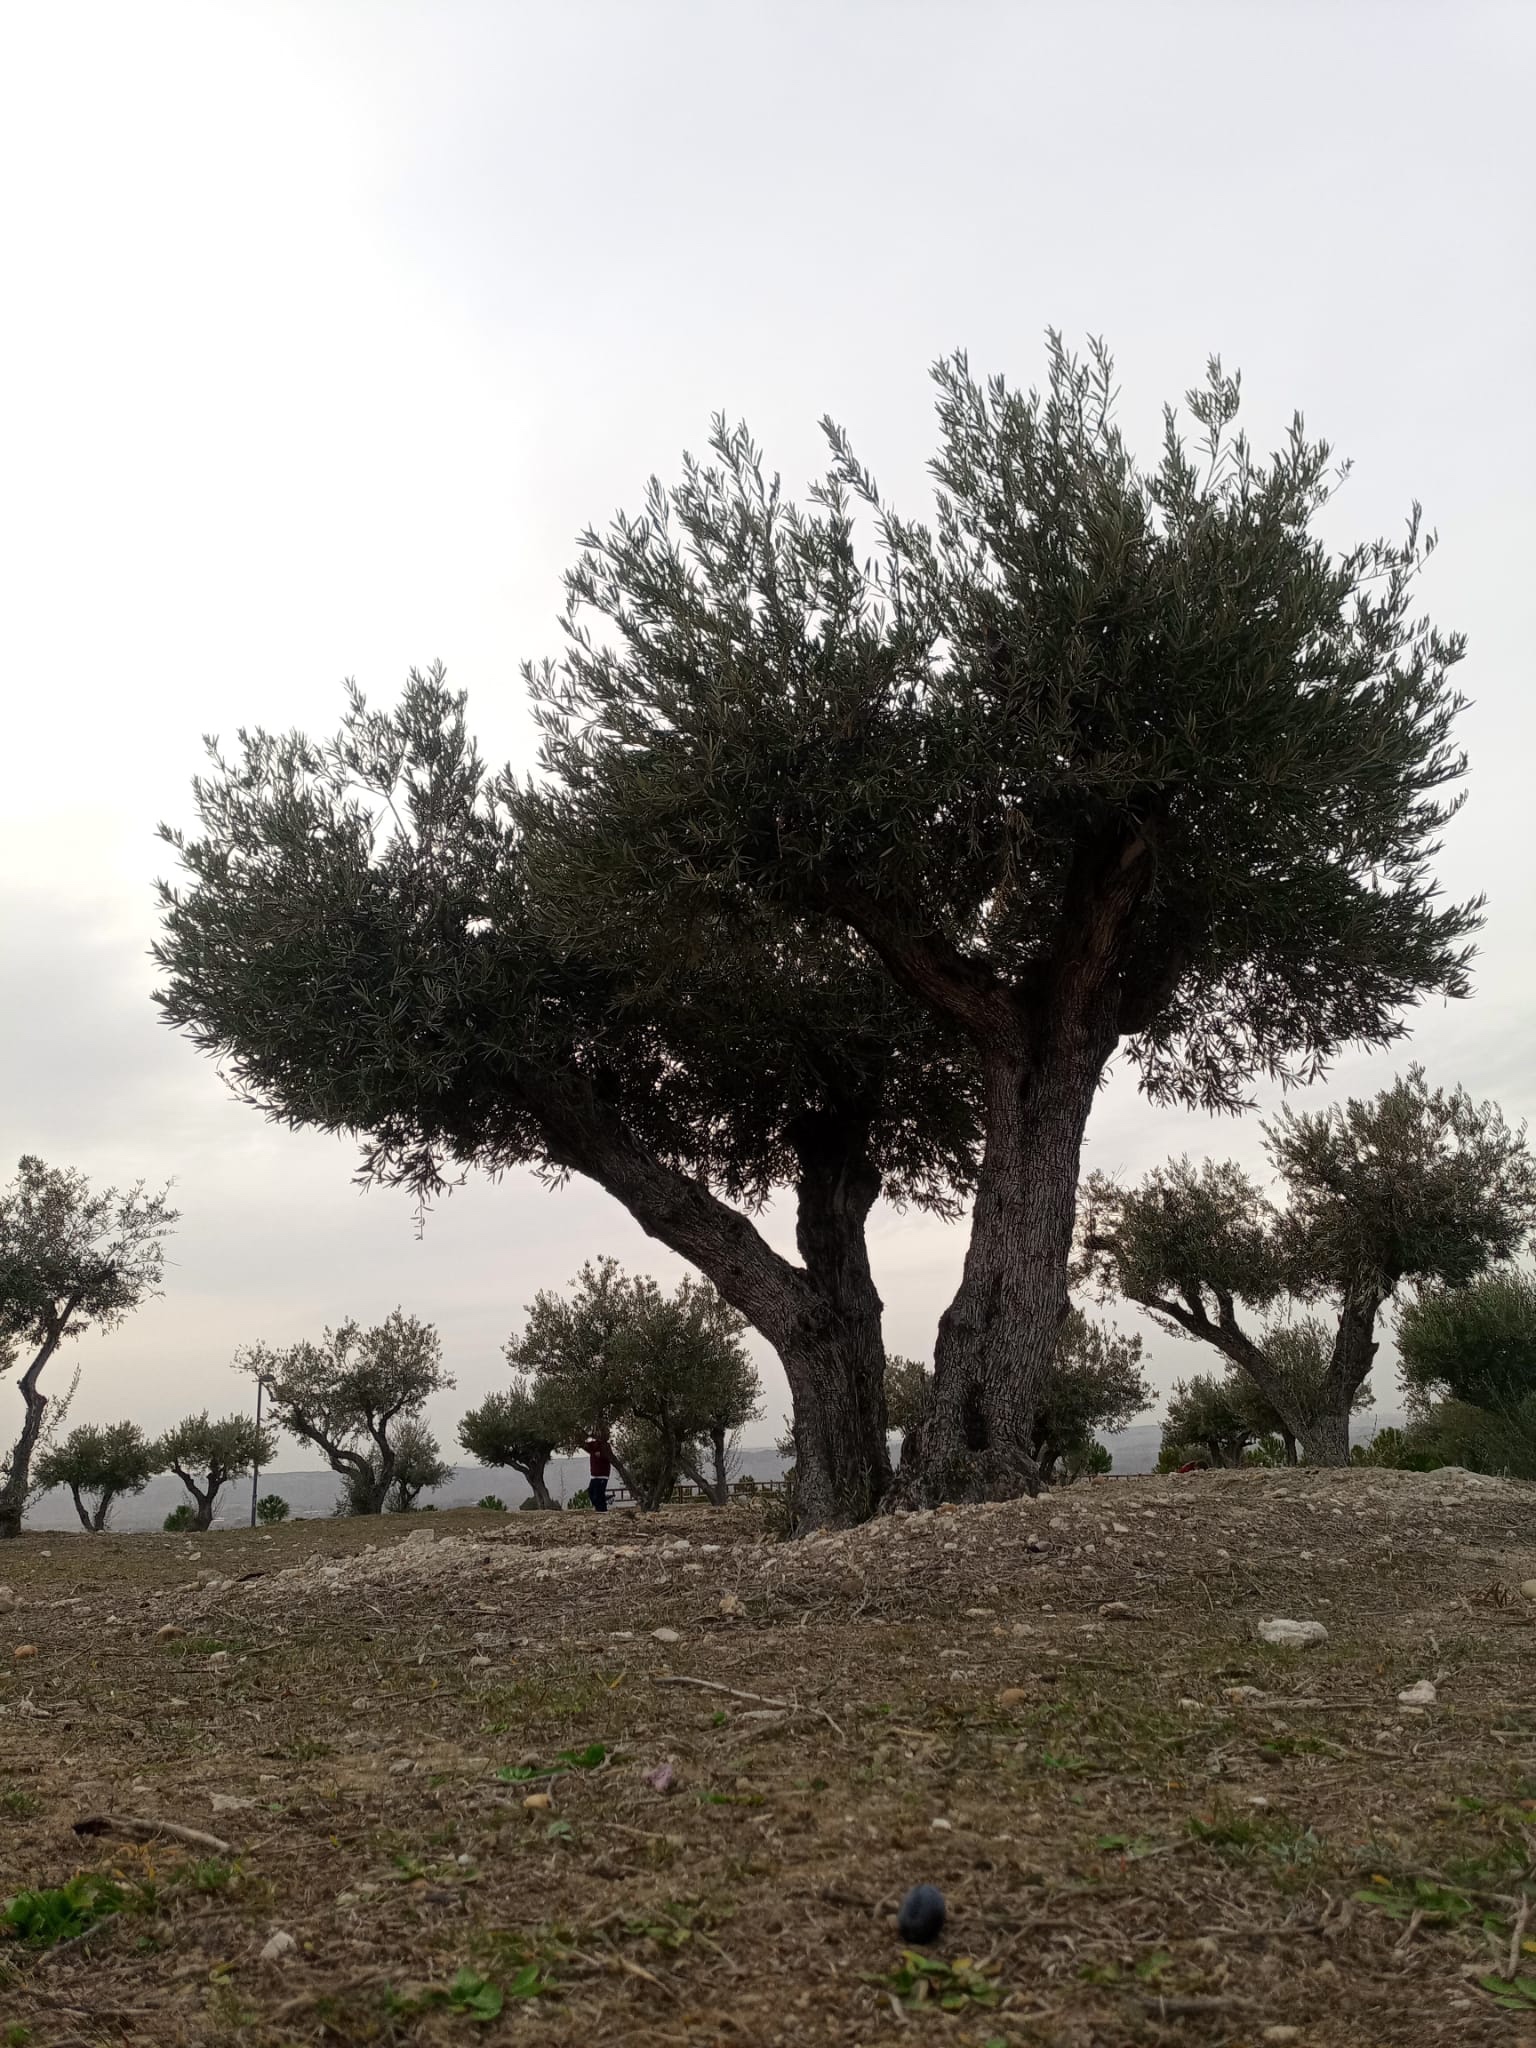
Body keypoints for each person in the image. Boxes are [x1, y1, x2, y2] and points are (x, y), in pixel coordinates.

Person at [582, 1427, 613, 1512]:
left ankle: (602, 1510)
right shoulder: (593, 1444)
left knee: (598, 1494)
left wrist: (602, 1455)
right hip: (594, 1475)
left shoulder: (606, 1446)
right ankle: (600, 1507)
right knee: (591, 1493)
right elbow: (583, 1444)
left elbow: (609, 1458)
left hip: (603, 1474)